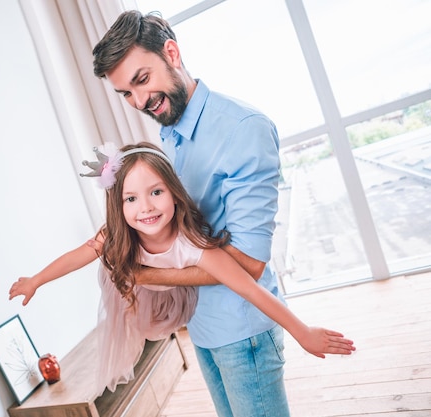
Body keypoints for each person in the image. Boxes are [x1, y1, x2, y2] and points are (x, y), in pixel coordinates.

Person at [9, 142, 355, 399]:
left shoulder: (193, 246)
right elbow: (76, 256)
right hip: (130, 283)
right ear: (118, 204)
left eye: (155, 192)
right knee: (125, 301)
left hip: (173, 293)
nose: (145, 207)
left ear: (174, 194)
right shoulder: (115, 235)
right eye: (131, 198)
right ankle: (130, 293)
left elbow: (250, 288)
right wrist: (36, 280)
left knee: (162, 309)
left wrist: (301, 330)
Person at [90, 10, 304, 416]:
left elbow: (249, 263)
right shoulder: (171, 126)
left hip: (244, 332)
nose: (139, 102)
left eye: (141, 80)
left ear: (171, 53)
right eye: (126, 94)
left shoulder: (243, 129)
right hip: (203, 326)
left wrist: (144, 275)